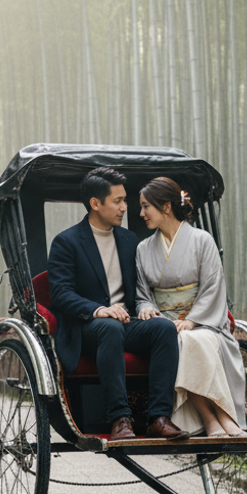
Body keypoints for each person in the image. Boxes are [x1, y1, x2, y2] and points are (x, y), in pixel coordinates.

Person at [46, 167, 189, 443]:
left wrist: (145, 305)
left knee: (163, 329)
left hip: (127, 323)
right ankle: (119, 418)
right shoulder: (67, 242)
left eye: (125, 200)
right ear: (95, 204)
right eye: (118, 201)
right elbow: (61, 294)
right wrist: (98, 309)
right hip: (87, 328)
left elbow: (139, 286)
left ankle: (158, 417)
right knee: (109, 327)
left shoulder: (128, 240)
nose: (125, 207)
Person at [135, 177, 247, 438]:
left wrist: (193, 319)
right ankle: (214, 419)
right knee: (178, 338)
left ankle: (221, 417)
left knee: (191, 339)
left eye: (145, 207)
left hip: (204, 321)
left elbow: (213, 287)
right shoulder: (143, 249)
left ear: (166, 207)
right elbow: (142, 294)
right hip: (164, 325)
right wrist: (144, 307)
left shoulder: (202, 240)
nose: (141, 213)